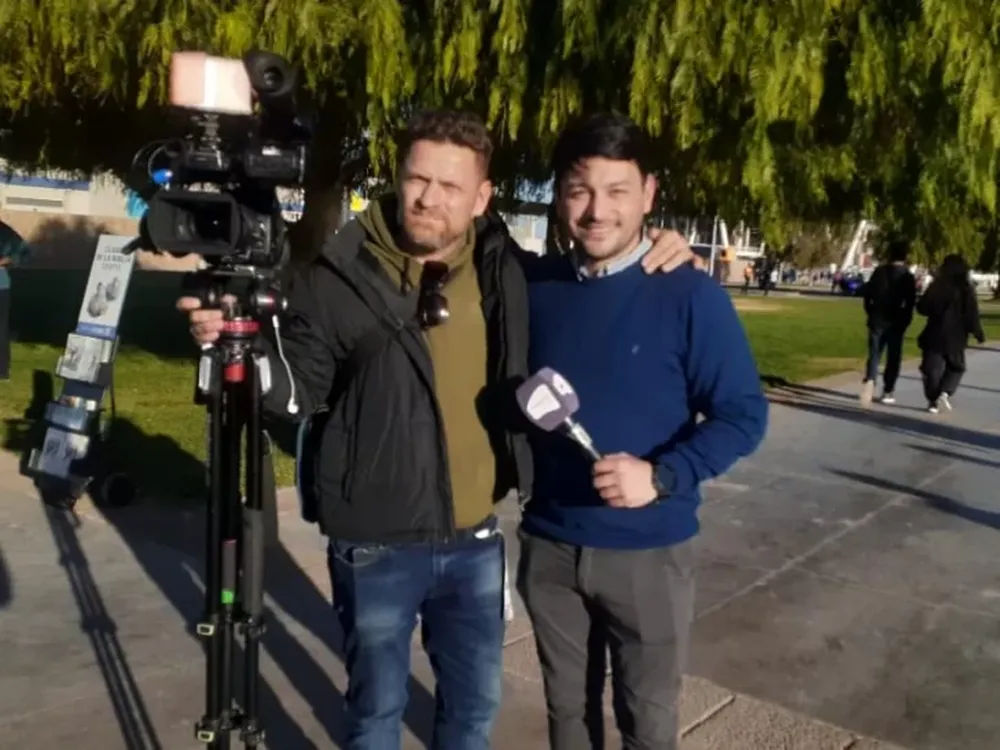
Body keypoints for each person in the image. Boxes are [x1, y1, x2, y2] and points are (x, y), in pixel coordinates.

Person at [179, 109, 697, 750]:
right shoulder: (335, 276)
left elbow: (596, 269)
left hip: (476, 541)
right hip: (373, 546)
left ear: (481, 197)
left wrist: (662, 243)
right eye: (417, 179)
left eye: (450, 187)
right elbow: (294, 393)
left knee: (473, 713)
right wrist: (234, 348)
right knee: (376, 712)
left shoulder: (506, 268)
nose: (428, 198)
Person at [515, 112, 769, 750]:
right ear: (559, 196)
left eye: (617, 190)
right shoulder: (533, 287)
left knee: (647, 725)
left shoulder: (688, 294)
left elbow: (744, 413)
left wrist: (661, 476)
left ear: (649, 194)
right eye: (579, 190)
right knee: (567, 717)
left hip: (649, 553)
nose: (597, 210)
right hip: (549, 548)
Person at [915, 253, 985, 413]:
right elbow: (971, 313)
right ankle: (945, 391)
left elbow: (923, 307)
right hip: (957, 336)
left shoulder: (937, 286)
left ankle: (933, 398)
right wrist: (977, 331)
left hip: (935, 333)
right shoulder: (966, 289)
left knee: (931, 368)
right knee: (956, 367)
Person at [860, 237, 917, 406]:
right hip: (896, 319)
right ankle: (888, 390)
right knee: (894, 356)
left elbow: (868, 293)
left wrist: (870, 311)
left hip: (878, 317)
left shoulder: (880, 271)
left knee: (875, 353)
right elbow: (910, 301)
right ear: (905, 256)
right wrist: (906, 319)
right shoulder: (907, 276)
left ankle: (870, 379)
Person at [0, 220, 29, 380]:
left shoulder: (5, 232)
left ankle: (2, 370)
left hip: (0, 286)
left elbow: (23, 252)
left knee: (0, 328)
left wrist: (3, 261)